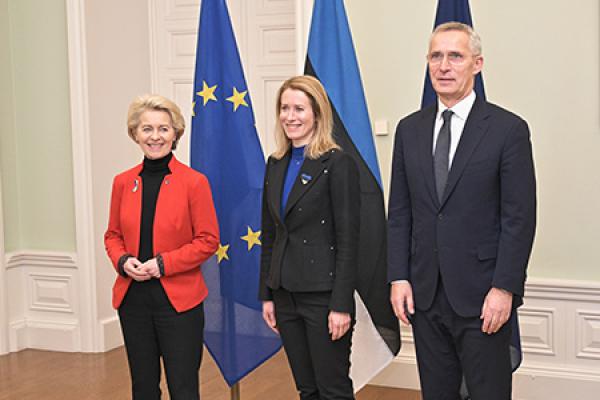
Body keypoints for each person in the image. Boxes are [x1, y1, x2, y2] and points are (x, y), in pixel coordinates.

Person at [388, 22, 536, 400]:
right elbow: (400, 212)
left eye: (456, 56)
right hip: (425, 294)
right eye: (436, 56)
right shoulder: (409, 130)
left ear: (477, 64)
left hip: (483, 296)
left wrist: (504, 288)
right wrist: (399, 277)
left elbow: (518, 219)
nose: (444, 66)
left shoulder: (508, 130)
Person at [104, 94, 219, 400]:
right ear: (135, 134)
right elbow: (112, 235)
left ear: (175, 133)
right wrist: (123, 260)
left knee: (183, 388)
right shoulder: (121, 182)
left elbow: (208, 240)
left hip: (179, 302)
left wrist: (163, 264)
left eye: (163, 129)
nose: (155, 136)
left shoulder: (194, 182)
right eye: (147, 129)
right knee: (143, 387)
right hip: (133, 301)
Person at [259, 75, 360, 400]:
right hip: (285, 294)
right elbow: (271, 235)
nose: (290, 116)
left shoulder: (338, 163)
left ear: (317, 113)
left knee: (333, 390)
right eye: (284, 108)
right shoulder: (275, 164)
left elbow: (348, 239)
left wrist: (341, 305)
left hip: (324, 297)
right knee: (307, 389)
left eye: (299, 108)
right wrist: (268, 295)